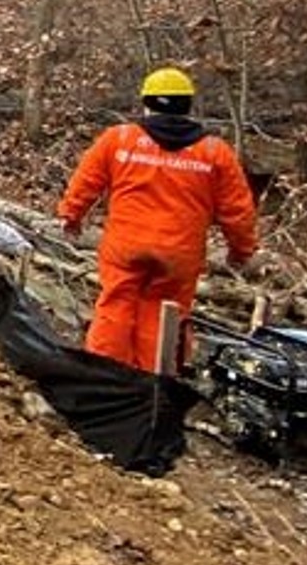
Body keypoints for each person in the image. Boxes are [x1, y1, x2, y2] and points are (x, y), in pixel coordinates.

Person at [58, 66, 258, 373]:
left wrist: (71, 216)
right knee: (166, 312)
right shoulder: (214, 152)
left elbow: (85, 182)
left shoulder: (119, 139)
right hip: (179, 254)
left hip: (125, 247)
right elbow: (238, 210)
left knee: (116, 305)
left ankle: (105, 374)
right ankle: (156, 381)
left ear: (146, 103)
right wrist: (241, 251)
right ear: (188, 106)